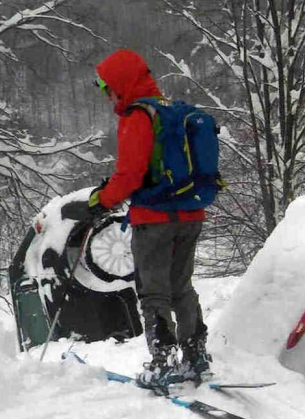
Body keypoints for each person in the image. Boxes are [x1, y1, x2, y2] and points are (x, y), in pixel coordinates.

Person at [88, 49, 213, 386]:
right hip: (191, 214)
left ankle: (163, 362)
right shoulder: (170, 112)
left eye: (108, 88)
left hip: (154, 219)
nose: (107, 96)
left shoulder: (136, 116)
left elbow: (129, 175)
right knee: (181, 287)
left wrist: (101, 200)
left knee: (153, 292)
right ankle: (196, 356)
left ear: (121, 84)